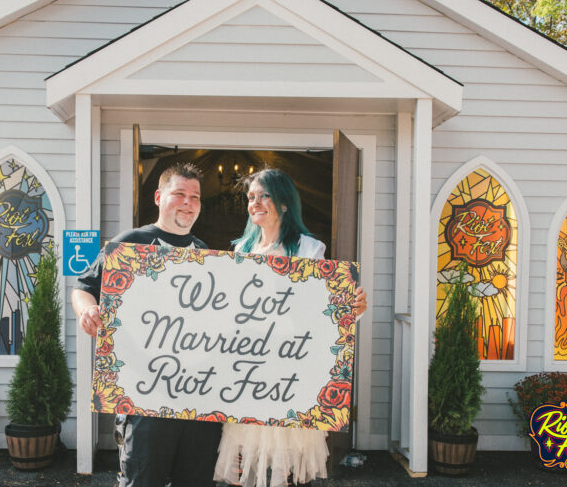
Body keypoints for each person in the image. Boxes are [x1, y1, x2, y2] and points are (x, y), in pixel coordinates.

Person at [213, 168, 367, 487]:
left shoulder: (309, 249)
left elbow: (328, 307)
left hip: (290, 366)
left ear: (284, 203)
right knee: (244, 454)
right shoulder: (242, 251)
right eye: (250, 197)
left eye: (263, 195)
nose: (254, 202)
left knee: (285, 459)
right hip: (248, 366)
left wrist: (354, 310)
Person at [71, 162, 222, 487]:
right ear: (158, 197)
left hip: (197, 397)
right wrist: (88, 311)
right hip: (144, 396)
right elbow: (83, 288)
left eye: (195, 197)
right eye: (179, 193)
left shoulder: (206, 254)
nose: (188, 202)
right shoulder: (131, 244)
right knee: (142, 481)